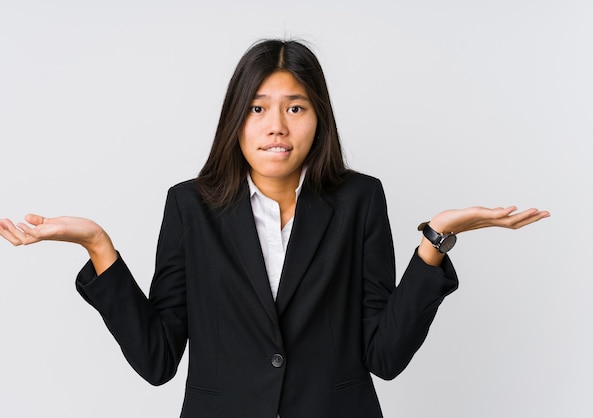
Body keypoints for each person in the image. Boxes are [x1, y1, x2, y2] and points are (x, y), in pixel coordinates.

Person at [0, 39, 549, 417]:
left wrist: (435, 243)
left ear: (320, 118)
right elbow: (157, 359)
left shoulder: (360, 200)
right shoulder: (190, 207)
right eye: (258, 108)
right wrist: (98, 246)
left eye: (296, 107)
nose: (276, 127)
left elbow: (384, 356)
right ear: (235, 117)